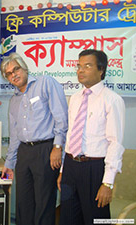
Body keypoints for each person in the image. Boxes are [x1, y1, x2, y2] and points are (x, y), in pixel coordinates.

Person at [57, 49, 125, 225]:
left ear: (101, 69)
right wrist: (63, 170)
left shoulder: (112, 100)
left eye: (87, 66)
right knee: (68, 219)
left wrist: (107, 183)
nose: (80, 70)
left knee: (96, 220)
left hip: (94, 169)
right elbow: (71, 135)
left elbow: (115, 143)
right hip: (71, 166)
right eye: (79, 66)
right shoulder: (75, 98)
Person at [0, 52, 68, 225]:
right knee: (23, 202)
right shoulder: (13, 101)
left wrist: (57, 147)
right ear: (7, 78)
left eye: (16, 69)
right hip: (24, 152)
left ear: (25, 68)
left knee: (44, 203)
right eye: (8, 73)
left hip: (45, 150)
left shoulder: (45, 83)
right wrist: (9, 163)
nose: (13, 74)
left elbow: (61, 118)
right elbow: (15, 135)